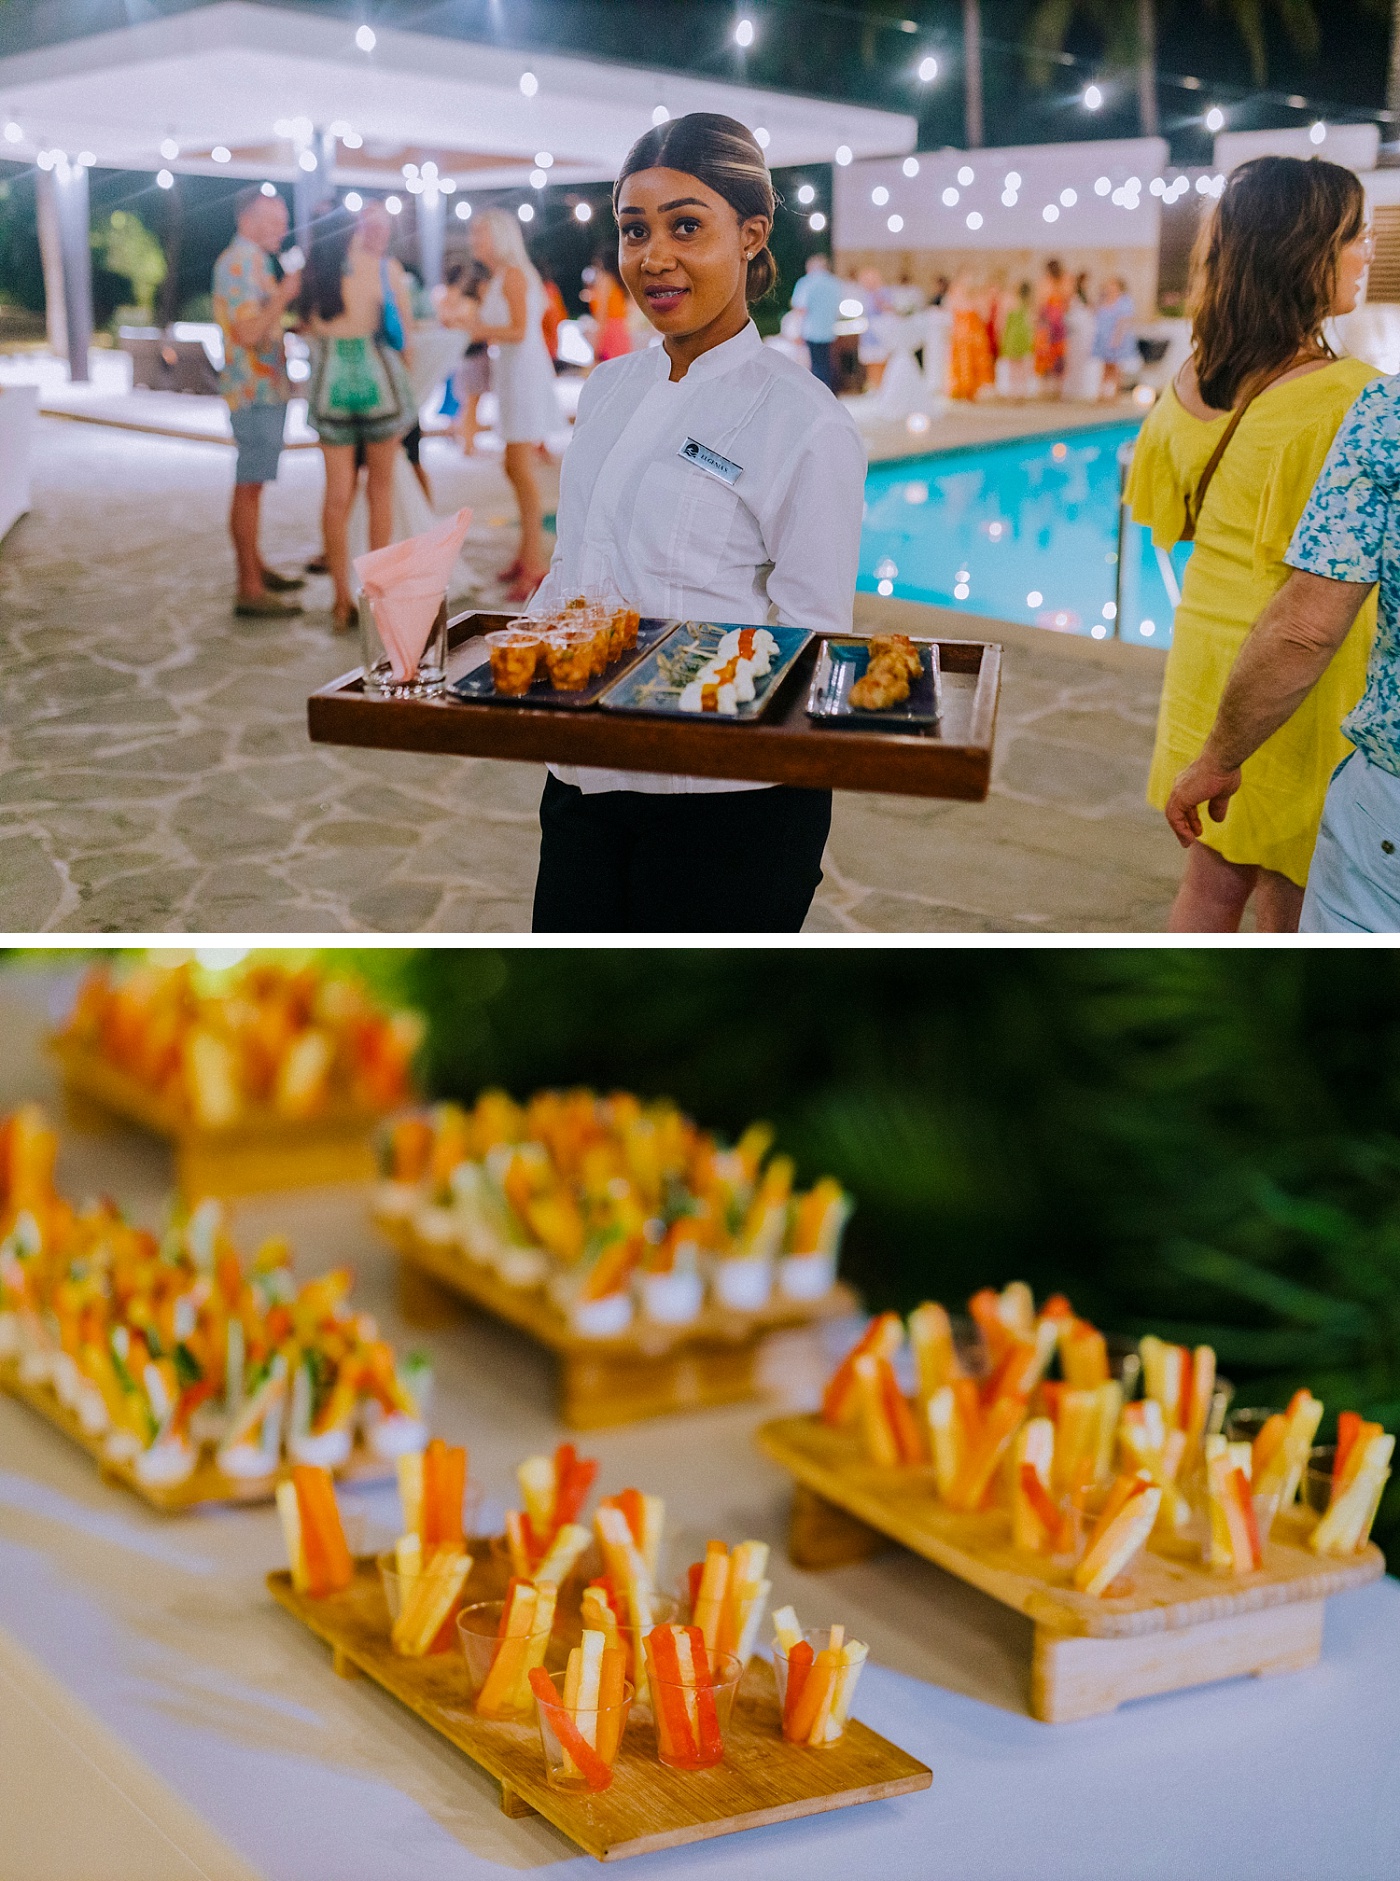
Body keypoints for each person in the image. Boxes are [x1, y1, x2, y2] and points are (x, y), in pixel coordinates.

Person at [527, 111, 866, 933]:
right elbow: (574, 573)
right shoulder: (607, 391)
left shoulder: (805, 422)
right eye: (633, 230)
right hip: (582, 783)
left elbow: (812, 642)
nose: (654, 257)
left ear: (751, 234)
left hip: (727, 807)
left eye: (687, 226)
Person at [1129, 155, 1378, 931]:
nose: (1367, 252)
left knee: (1208, 883)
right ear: (1302, 254)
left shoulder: (1189, 380)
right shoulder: (1350, 396)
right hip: (1295, 673)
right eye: (1353, 237)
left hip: (1208, 661)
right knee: (1289, 890)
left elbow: (1171, 519)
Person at [298, 198, 416, 628]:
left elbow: (306, 328)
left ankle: (339, 599)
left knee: (336, 495)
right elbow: (402, 337)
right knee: (379, 491)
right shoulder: (382, 268)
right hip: (376, 382)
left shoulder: (310, 272)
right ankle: (375, 594)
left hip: (331, 384)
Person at [459, 209, 560, 601]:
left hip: (525, 376)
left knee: (520, 468)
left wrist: (476, 329)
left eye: (480, 235)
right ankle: (525, 554)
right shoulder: (502, 276)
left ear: (500, 238)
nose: (474, 243)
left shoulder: (515, 274)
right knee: (512, 466)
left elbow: (519, 330)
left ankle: (535, 563)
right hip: (513, 375)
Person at [212, 185, 304, 617]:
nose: (282, 230)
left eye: (283, 222)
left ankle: (256, 566)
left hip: (263, 388)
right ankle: (248, 586)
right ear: (246, 221)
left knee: (253, 486)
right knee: (248, 487)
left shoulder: (253, 262)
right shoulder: (239, 263)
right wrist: (284, 295)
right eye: (273, 221)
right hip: (253, 391)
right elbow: (248, 333)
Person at [439, 259, 490, 453]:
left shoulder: (454, 300)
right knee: (471, 402)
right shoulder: (469, 302)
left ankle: (465, 438)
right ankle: (468, 443)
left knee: (466, 401)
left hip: (463, 356)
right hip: (473, 356)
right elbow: (470, 328)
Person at [790, 252, 846, 391]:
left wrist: (796, 330)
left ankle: (820, 392)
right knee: (826, 362)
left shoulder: (806, 282)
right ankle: (829, 390)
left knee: (816, 364)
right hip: (828, 329)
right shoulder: (835, 283)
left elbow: (800, 308)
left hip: (811, 330)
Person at [947, 273, 993, 402]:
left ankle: (969, 391)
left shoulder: (974, 300)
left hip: (970, 337)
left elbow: (984, 317)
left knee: (971, 364)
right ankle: (962, 390)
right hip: (963, 337)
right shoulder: (960, 299)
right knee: (963, 363)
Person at [1092, 276, 1137, 401]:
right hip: (1103, 337)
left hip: (1116, 337)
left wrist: (1116, 339)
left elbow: (1123, 322)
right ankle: (1102, 393)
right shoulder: (1104, 300)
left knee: (1116, 367)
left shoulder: (1124, 301)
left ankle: (1115, 394)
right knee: (1105, 367)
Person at [585, 254, 634, 364]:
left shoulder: (605, 281)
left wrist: (597, 345)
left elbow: (602, 314)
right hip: (621, 331)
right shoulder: (620, 281)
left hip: (609, 332)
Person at [1034, 258, 1070, 397]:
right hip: (1050, 324)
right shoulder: (1047, 283)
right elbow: (1041, 304)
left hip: (1056, 325)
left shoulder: (1059, 283)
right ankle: (1048, 390)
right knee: (1047, 356)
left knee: (1057, 357)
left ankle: (1054, 391)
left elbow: (1064, 302)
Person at [998, 280, 1035, 399]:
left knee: (1014, 367)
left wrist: (1002, 336)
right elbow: (1030, 322)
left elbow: (1003, 321)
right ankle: (1020, 391)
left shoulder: (1010, 302)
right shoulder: (1025, 304)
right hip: (1022, 336)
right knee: (1021, 367)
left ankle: (1014, 392)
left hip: (1013, 336)